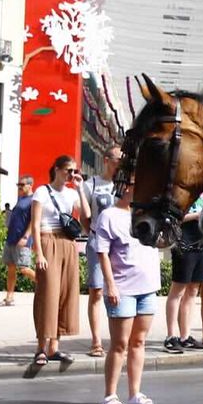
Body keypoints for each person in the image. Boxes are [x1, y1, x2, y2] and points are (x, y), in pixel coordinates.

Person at [91, 179, 159, 404]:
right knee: (120, 343)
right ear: (125, 187)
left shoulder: (150, 214)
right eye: (134, 184)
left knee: (139, 341)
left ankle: (134, 393)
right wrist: (110, 285)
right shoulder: (109, 215)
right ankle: (110, 395)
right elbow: (102, 253)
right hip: (123, 288)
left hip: (148, 286)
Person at [28, 154, 83, 373]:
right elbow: (34, 224)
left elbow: (86, 213)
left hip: (67, 242)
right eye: (68, 170)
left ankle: (54, 347)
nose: (71, 174)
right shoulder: (42, 191)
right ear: (58, 169)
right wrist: (39, 253)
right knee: (47, 294)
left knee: (64, 295)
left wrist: (79, 188)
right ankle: (41, 347)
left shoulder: (71, 193)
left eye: (74, 171)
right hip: (47, 239)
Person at [81, 146, 123, 357]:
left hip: (120, 244)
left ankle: (117, 338)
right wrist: (94, 235)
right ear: (106, 160)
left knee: (120, 291)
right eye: (118, 159)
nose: (121, 164)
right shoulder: (92, 185)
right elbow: (85, 218)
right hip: (98, 242)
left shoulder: (125, 186)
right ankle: (96, 341)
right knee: (97, 291)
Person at [165, 197, 203, 352]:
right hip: (184, 243)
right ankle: (171, 336)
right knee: (178, 291)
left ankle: (185, 336)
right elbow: (173, 218)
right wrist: (198, 215)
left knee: (193, 291)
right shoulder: (183, 194)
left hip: (202, 244)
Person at [0, 175, 36, 307]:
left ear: (30, 185)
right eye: (18, 185)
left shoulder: (33, 200)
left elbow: (33, 220)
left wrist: (26, 237)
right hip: (11, 238)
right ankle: (9, 297)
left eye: (22, 185)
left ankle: (48, 287)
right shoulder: (21, 199)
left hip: (22, 240)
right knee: (11, 268)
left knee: (24, 269)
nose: (19, 187)